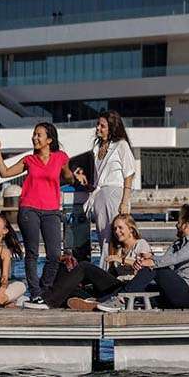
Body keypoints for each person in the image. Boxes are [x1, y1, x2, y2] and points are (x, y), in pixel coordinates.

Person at [0, 122, 78, 304]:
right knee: (32, 253)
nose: (34, 138)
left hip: (52, 211)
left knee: (54, 255)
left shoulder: (61, 157)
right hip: (29, 209)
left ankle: (45, 290)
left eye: (39, 135)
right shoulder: (29, 160)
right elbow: (4, 173)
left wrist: (74, 176)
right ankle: (35, 292)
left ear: (49, 140)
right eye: (34, 134)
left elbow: (68, 176)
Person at [97, 204, 189, 312]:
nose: (176, 225)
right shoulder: (178, 244)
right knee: (142, 287)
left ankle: (121, 300)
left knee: (154, 267)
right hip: (177, 292)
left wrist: (149, 262)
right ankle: (104, 299)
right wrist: (147, 259)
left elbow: (173, 259)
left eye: (179, 222)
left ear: (185, 225)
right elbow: (166, 262)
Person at [25, 213, 151, 310]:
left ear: (131, 230)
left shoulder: (140, 244)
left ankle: (47, 300)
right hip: (113, 286)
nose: (117, 231)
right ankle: (92, 301)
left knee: (85, 266)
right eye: (114, 229)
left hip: (127, 287)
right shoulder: (118, 248)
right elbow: (111, 275)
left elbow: (148, 264)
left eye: (120, 228)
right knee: (66, 275)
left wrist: (122, 260)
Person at [74, 110, 136, 271]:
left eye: (102, 126)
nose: (98, 128)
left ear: (111, 128)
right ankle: (107, 272)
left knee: (116, 237)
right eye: (98, 125)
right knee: (104, 239)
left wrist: (124, 201)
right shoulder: (97, 148)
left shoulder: (121, 145)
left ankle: (113, 271)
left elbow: (129, 173)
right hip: (100, 196)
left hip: (115, 195)